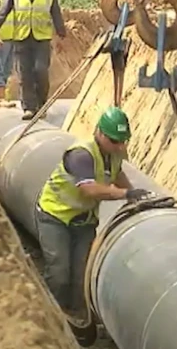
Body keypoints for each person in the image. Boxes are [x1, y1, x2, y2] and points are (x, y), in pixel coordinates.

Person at [34, 107, 149, 319]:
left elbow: (117, 173)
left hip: (83, 221)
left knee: (82, 275)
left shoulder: (112, 153)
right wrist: (125, 193)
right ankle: (51, 318)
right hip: (55, 217)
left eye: (123, 141)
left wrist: (134, 195)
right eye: (115, 141)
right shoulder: (82, 155)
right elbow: (89, 188)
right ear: (100, 133)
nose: (120, 146)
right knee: (60, 272)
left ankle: (78, 317)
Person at [0, 0, 68, 120]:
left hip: (42, 39)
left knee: (40, 71)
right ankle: (29, 108)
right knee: (25, 74)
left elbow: (56, 14)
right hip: (22, 38)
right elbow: (4, 11)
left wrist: (61, 36)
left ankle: (41, 104)